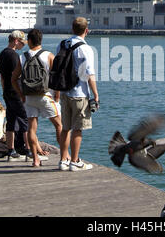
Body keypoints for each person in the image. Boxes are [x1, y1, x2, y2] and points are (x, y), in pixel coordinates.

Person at [11, 29, 64, 167]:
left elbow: (13, 79)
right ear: (41, 40)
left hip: (29, 97)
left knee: (31, 129)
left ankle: (35, 159)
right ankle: (65, 157)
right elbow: (57, 77)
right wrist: (57, 94)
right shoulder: (48, 55)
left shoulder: (22, 57)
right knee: (59, 125)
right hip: (46, 96)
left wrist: (22, 95)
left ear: (29, 41)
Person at [57, 17, 99, 171]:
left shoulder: (62, 44)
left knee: (65, 128)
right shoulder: (86, 48)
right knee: (78, 128)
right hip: (80, 93)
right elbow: (89, 74)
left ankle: (63, 160)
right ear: (86, 31)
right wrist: (95, 94)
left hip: (64, 92)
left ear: (72, 29)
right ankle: (75, 161)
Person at [0, 30, 30, 159]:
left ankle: (10, 150)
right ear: (16, 41)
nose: (23, 46)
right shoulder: (14, 56)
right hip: (16, 92)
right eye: (22, 43)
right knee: (25, 120)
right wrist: (21, 93)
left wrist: (4, 90)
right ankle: (28, 149)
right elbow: (17, 76)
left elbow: (2, 76)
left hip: (7, 92)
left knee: (11, 120)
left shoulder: (3, 53)